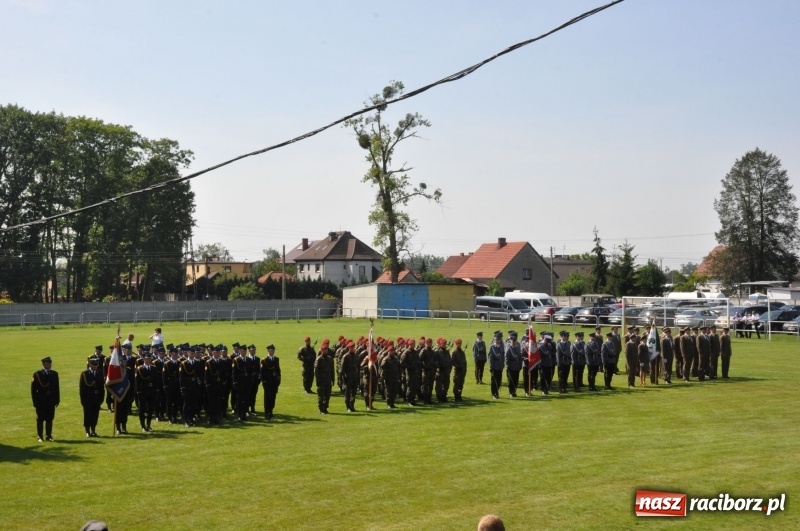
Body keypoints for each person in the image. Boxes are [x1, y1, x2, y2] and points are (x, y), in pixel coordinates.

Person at [32, 356, 60, 442]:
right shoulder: (37, 374)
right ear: (44, 364)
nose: (50, 365)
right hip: (41, 401)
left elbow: (57, 388)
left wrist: (57, 399)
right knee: (40, 419)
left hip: (51, 400)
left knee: (50, 418)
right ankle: (40, 436)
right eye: (48, 363)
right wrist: (35, 401)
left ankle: (49, 435)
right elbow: (33, 390)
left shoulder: (54, 374)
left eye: (50, 363)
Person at [135, 352, 161, 432]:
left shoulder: (153, 368)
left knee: (150, 410)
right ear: (143, 359)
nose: (148, 360)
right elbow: (137, 382)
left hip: (151, 391)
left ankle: (148, 425)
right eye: (146, 359)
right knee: (142, 410)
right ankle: (143, 426)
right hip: (143, 392)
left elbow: (156, 380)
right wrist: (138, 392)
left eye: (149, 359)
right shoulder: (140, 368)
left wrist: (156, 390)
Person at [79, 355, 104, 437]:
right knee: (87, 415)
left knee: (95, 415)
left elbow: (101, 387)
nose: (95, 367)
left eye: (96, 365)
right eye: (93, 365)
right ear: (90, 364)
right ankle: (87, 431)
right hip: (88, 399)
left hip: (96, 398)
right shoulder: (85, 374)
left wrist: (101, 398)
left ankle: (93, 430)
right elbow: (82, 389)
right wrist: (83, 400)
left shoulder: (100, 373)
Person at [260, 344, 281, 420]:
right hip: (267, 382)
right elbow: (262, 372)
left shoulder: (276, 359)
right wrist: (264, 382)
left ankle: (271, 412)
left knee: (273, 398)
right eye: (271, 350)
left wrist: (278, 380)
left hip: (274, 382)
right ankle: (267, 413)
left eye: (273, 350)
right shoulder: (264, 360)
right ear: (268, 351)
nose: (272, 352)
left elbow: (278, 370)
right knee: (267, 398)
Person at [315, 339, 334, 414]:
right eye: (324, 350)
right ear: (322, 350)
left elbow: (332, 370)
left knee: (327, 395)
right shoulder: (319, 359)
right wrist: (318, 381)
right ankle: (321, 409)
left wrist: (332, 379)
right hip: (322, 380)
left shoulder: (330, 359)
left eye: (327, 349)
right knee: (321, 396)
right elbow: (316, 371)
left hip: (328, 380)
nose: (326, 351)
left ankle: (325, 408)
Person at [340, 341, 360, 412]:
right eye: (351, 347)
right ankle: (348, 406)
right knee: (347, 393)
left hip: (354, 377)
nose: (353, 349)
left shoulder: (356, 356)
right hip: (348, 377)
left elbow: (358, 366)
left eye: (353, 347)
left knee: (353, 392)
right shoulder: (345, 356)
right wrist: (343, 378)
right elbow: (342, 369)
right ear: (349, 348)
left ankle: (352, 405)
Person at [487, 332, 505, 399]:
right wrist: (491, 367)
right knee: (494, 381)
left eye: (498, 340)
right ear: (494, 340)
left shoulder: (501, 347)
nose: (497, 341)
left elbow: (502, 357)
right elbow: (490, 358)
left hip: (500, 366)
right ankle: (494, 393)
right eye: (496, 340)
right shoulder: (492, 347)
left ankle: (496, 392)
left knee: (499, 381)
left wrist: (502, 365)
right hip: (494, 366)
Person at [504, 331, 522, 398]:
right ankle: (511, 392)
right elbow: (507, 357)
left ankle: (514, 391)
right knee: (511, 380)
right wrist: (507, 366)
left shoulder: (518, 346)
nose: (514, 342)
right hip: (511, 366)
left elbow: (520, 357)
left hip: (517, 366)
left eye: (515, 341)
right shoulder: (509, 347)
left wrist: (520, 366)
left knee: (516, 380)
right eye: (513, 341)